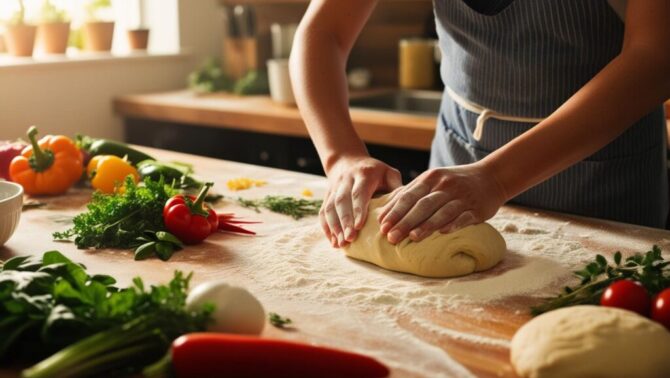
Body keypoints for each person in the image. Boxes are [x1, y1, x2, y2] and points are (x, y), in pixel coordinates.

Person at [289, 0, 670, 248]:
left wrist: (496, 178)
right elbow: (323, 33)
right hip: (459, 152)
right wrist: (341, 156)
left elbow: (655, 59)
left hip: (602, 175)